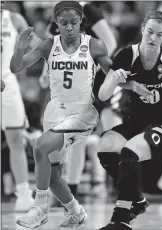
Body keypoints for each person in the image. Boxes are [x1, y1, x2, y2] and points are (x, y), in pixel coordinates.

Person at [97, 10, 162, 230]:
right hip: (137, 121)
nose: (154, 38)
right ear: (143, 30)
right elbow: (102, 95)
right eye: (150, 32)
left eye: (159, 34)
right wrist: (114, 79)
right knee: (105, 147)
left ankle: (121, 218)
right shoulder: (127, 55)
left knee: (129, 152)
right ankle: (138, 199)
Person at [9, 1, 113, 228]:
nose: (68, 27)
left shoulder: (94, 45)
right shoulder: (48, 45)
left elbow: (113, 72)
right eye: (63, 22)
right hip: (55, 111)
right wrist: (18, 49)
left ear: (81, 22)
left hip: (82, 112)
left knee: (40, 146)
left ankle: (39, 208)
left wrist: (134, 84)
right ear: (56, 22)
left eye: (73, 23)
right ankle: (76, 212)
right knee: (53, 176)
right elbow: (16, 68)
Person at [39, 1, 118, 199]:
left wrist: (89, 69)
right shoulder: (58, 13)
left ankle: (114, 186)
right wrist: (44, 72)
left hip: (95, 81)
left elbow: (111, 43)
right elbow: (51, 47)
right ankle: (69, 188)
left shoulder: (89, 10)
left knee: (97, 137)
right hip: (67, 83)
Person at [1, 0, 40, 211]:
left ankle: (23, 194)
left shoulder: (14, 19)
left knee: (16, 139)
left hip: (7, 85)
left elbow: (40, 46)